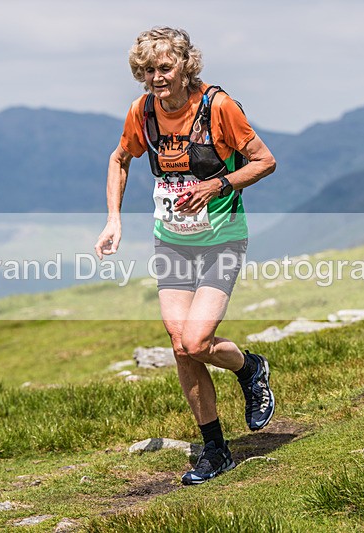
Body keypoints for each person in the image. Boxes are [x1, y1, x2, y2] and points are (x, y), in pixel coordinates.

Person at [94, 27, 277, 485]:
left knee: (196, 342)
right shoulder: (143, 112)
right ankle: (215, 451)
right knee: (180, 347)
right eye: (147, 70)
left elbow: (264, 161)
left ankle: (250, 367)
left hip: (221, 239)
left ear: (184, 66)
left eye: (165, 67)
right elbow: (120, 159)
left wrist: (217, 185)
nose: (156, 77)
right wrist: (114, 220)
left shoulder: (219, 107)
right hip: (172, 241)